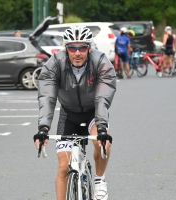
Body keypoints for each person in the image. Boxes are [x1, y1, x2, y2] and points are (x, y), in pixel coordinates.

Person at [33, 25, 116, 200]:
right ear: (66, 48)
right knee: (64, 167)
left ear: (89, 48)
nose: (77, 53)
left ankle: (100, 180)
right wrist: (43, 128)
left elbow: (102, 97)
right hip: (68, 114)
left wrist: (102, 129)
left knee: (102, 143)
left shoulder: (101, 61)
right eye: (72, 47)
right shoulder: (55, 63)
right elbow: (47, 97)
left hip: (94, 113)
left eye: (82, 48)